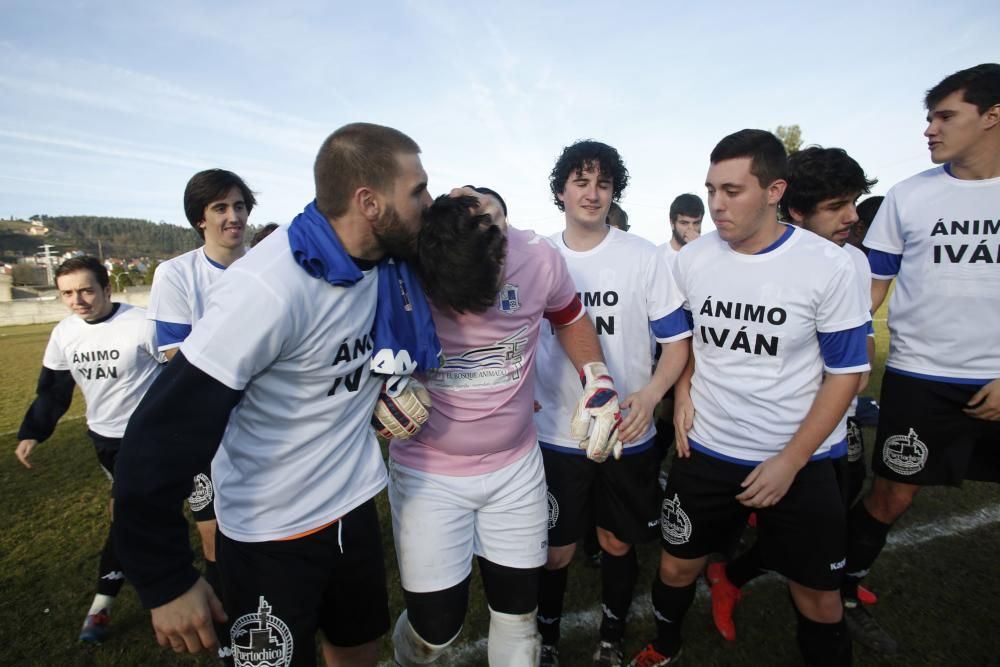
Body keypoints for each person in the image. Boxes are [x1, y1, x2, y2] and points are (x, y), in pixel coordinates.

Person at [114, 122, 433, 667]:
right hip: (269, 533)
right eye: (418, 191)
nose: (428, 201)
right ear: (369, 202)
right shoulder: (266, 289)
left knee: (358, 652)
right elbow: (157, 438)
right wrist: (165, 580)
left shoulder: (385, 262)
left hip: (352, 507)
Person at [629, 129, 870, 667]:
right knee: (674, 569)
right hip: (708, 451)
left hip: (800, 461)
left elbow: (846, 374)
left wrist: (790, 460)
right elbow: (684, 340)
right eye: (711, 189)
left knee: (820, 600)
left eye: (733, 190)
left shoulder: (828, 265)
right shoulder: (691, 260)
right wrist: (684, 391)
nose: (716, 204)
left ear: (774, 190)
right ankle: (666, 645)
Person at [389, 188, 623, 667]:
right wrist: (379, 391)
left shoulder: (538, 256)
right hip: (429, 471)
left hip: (515, 467)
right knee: (436, 631)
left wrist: (597, 378)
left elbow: (570, 316)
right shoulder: (402, 264)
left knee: (519, 617)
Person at [842, 62, 1000, 654]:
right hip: (921, 379)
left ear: (992, 117)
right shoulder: (908, 196)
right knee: (891, 496)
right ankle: (845, 589)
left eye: (945, 117)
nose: (930, 130)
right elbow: (871, 292)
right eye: (929, 117)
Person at [703, 145, 879, 644]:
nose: (852, 217)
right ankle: (728, 574)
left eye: (853, 203)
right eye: (836, 206)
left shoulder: (846, 265)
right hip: (729, 444)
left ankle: (738, 576)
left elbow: (855, 370)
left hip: (818, 444)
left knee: (818, 573)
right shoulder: (717, 258)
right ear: (795, 208)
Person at [533, 141, 691, 666]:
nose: (592, 193)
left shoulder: (642, 257)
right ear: (561, 190)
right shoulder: (538, 257)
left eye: (603, 183)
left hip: (629, 431)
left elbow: (676, 343)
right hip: (558, 433)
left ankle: (610, 638)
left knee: (617, 542)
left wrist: (650, 395)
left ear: (614, 191)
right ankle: (548, 642)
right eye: (581, 181)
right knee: (556, 552)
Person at [15, 256, 163, 644]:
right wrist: (33, 432)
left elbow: (180, 374)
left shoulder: (143, 323)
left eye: (85, 290)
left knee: (130, 514)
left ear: (106, 289)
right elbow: (54, 390)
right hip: (105, 441)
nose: (77, 300)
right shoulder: (64, 333)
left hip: (152, 438)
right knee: (136, 516)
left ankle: (102, 607)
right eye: (67, 293)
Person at [145, 168, 257, 622]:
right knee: (213, 535)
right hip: (208, 432)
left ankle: (263, 609)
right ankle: (231, 624)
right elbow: (177, 358)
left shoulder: (268, 267)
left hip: (265, 426)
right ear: (200, 219)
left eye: (240, 206)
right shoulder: (176, 275)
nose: (233, 217)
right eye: (220, 208)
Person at [658, 194, 704, 270]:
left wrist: (699, 250)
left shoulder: (708, 256)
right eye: (684, 223)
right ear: (672, 223)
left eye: (696, 223)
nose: (691, 229)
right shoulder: (659, 256)